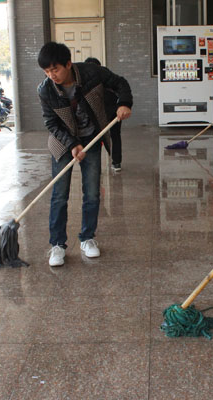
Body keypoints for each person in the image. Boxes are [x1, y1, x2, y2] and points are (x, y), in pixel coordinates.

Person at [37, 42, 132, 267]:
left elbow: (120, 83)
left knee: (92, 192)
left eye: (55, 69)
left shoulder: (92, 73)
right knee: (59, 194)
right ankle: (57, 244)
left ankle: (87, 238)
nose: (52, 75)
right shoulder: (45, 90)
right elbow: (51, 123)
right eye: (47, 71)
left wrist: (124, 103)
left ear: (68, 64)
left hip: (91, 138)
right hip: (62, 142)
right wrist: (72, 144)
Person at [84, 57, 123, 171]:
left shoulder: (88, 81)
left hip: (102, 112)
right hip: (115, 110)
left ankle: (95, 167)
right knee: (115, 135)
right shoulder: (108, 77)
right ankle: (116, 163)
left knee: (96, 137)